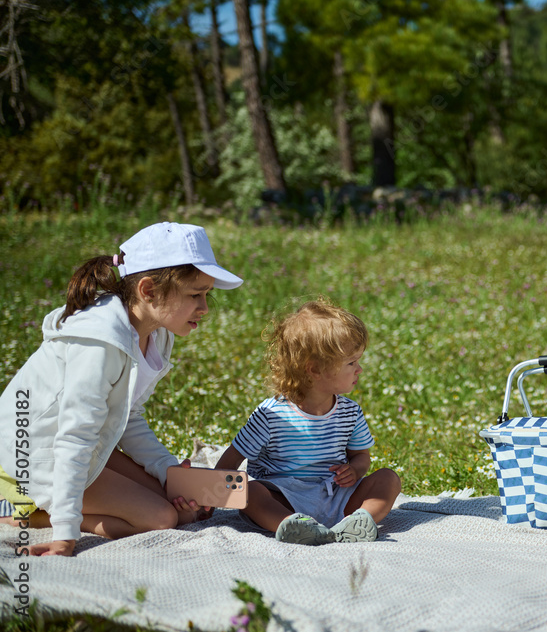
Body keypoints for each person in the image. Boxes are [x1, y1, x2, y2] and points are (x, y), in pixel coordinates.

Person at [0, 222, 244, 557]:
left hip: (83, 446)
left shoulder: (156, 334)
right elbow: (74, 436)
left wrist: (167, 469)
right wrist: (65, 533)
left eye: (207, 294)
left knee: (183, 510)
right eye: (194, 295)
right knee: (161, 518)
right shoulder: (100, 343)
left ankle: (53, 507)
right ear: (149, 290)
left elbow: (127, 415)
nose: (204, 308)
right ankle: (32, 511)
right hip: (30, 453)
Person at [214, 299, 401, 545]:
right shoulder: (271, 414)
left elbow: (361, 456)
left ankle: (359, 521)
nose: (360, 369)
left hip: (337, 497)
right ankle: (290, 524)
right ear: (314, 370)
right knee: (250, 491)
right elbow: (229, 463)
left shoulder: (350, 412)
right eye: (351, 362)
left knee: (388, 479)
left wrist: (355, 471)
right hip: (284, 499)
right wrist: (210, 499)